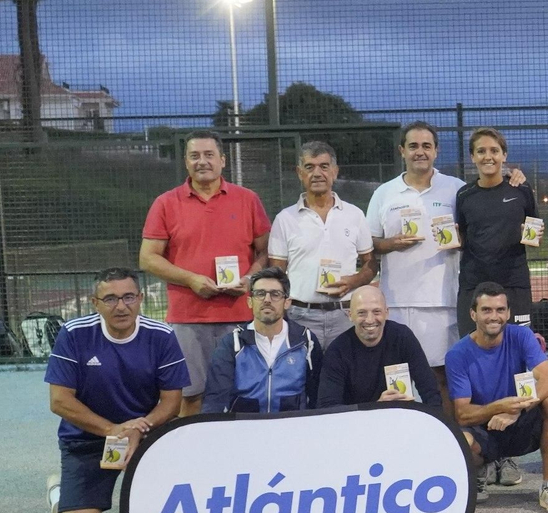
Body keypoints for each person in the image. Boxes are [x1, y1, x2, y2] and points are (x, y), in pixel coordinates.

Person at [44, 267, 187, 513]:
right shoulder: (74, 334)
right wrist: (113, 430)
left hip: (144, 438)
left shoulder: (162, 335)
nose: (121, 306)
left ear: (141, 298)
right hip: (87, 440)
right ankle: (58, 494)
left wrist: (139, 428)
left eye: (128, 297)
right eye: (110, 299)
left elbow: (172, 401)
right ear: (94, 303)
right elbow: (59, 400)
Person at [139, 130, 270, 416]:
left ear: (222, 160)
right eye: (194, 156)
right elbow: (148, 258)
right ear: (186, 162)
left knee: (245, 393)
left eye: (209, 155)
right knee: (190, 396)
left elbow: (265, 252)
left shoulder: (247, 199)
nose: (202, 161)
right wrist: (191, 279)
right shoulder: (166, 203)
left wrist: (249, 280)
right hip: (188, 318)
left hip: (240, 315)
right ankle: (192, 446)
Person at [445, 282, 548, 512]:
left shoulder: (521, 335)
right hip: (484, 427)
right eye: (486, 310)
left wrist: (516, 410)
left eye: (500, 310)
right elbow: (462, 414)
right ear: (473, 314)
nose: (494, 316)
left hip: (517, 420)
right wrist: (499, 407)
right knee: (462, 440)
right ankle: (479, 470)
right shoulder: (457, 354)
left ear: (509, 313)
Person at [366, 121, 466, 407]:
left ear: (436, 151)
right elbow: (369, 242)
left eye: (426, 146)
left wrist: (460, 239)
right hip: (396, 303)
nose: (419, 152)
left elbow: (474, 233)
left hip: (442, 301)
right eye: (413, 146)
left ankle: (447, 433)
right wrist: (391, 244)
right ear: (402, 151)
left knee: (442, 378)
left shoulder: (456, 189)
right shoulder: (384, 193)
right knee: (397, 380)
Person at [268, 141, 375, 349]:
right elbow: (276, 273)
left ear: (335, 171)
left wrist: (353, 281)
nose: (317, 173)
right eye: (309, 167)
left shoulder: (354, 215)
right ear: (300, 173)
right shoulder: (285, 219)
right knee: (305, 370)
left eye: (324, 166)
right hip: (300, 315)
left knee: (344, 370)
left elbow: (370, 264)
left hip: (345, 314)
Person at [202, 266, 324, 414]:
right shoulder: (232, 343)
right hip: (245, 424)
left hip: (292, 423)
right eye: (260, 294)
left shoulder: (306, 341)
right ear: (250, 302)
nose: (267, 300)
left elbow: (318, 395)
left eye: (275, 294)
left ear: (287, 302)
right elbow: (215, 399)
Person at [454, 127, 540, 337]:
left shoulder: (522, 189)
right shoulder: (464, 195)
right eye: (481, 151)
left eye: (494, 150)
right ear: (472, 157)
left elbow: (534, 230)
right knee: (473, 347)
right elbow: (463, 240)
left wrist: (533, 235)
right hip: (474, 284)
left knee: (518, 347)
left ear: (504, 155)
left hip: (514, 283)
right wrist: (453, 239)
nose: (488, 156)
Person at [316, 285, 442, 411]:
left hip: (400, 417)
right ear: (350, 315)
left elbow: (430, 392)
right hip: (356, 420)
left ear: (386, 313)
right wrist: (377, 407)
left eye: (376, 312)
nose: (370, 320)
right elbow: (327, 407)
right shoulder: (337, 351)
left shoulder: (402, 337)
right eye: (361, 313)